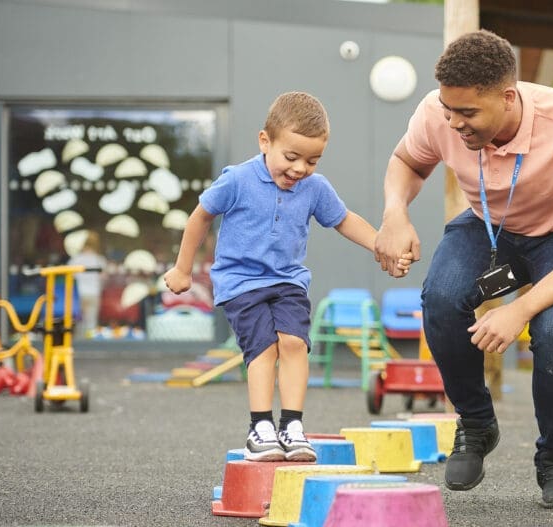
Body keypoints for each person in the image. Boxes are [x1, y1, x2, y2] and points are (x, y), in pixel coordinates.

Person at [374, 30, 553, 509]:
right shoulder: (439, 112)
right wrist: (395, 213)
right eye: (449, 111)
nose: (454, 123)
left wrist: (521, 308)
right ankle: (475, 423)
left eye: (468, 113)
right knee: (443, 298)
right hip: (492, 230)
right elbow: (406, 161)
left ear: (508, 97)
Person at [165, 91, 410, 462]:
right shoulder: (238, 180)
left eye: (312, 160)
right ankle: (260, 427)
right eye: (291, 157)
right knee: (263, 348)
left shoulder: (314, 187)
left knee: (294, 343)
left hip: (288, 281)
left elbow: (344, 220)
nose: (300, 169)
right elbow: (200, 216)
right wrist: (183, 268)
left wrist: (382, 245)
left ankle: (292, 425)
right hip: (240, 281)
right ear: (265, 141)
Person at [67, 230, 106, 336]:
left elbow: (69, 275)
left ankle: (80, 343)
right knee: (91, 321)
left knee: (80, 320)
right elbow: (103, 277)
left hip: (80, 293)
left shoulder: (76, 259)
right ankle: (90, 343)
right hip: (94, 292)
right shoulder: (99, 259)